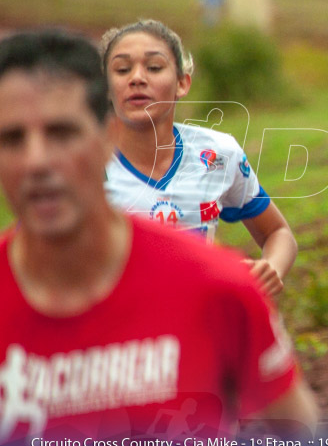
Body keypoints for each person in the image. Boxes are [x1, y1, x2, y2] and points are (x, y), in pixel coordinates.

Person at [0, 30, 318, 446]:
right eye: (12, 139)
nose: (37, 161)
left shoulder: (223, 291)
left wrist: (269, 272)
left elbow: (302, 433)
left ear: (101, 137)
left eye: (61, 134)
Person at [101, 20, 297, 297]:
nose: (137, 78)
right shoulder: (79, 167)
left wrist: (271, 269)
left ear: (182, 83)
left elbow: (278, 233)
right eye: (122, 69)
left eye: (154, 67)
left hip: (200, 332)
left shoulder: (217, 154)